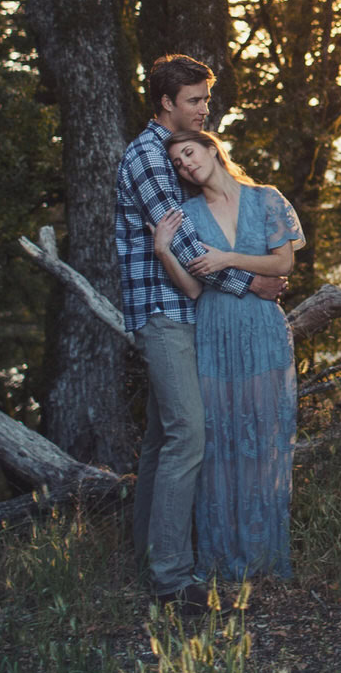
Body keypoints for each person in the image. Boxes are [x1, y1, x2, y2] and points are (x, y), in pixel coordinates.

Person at [114, 54, 289, 612]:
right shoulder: (147, 156)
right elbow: (188, 245)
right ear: (166, 102)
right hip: (165, 311)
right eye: (194, 100)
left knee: (164, 437)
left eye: (205, 100)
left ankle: (147, 555)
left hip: (187, 309)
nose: (203, 109)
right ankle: (169, 578)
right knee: (189, 433)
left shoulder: (170, 155)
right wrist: (253, 283)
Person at [150, 128, 302, 581]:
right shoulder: (189, 215)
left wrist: (227, 259)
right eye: (178, 163)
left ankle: (263, 559)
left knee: (264, 440)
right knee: (218, 443)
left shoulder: (267, 198)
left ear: (213, 150)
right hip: (214, 330)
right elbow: (195, 287)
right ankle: (220, 562)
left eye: (190, 153)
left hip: (262, 329)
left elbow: (284, 264)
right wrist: (163, 250)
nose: (186, 165)